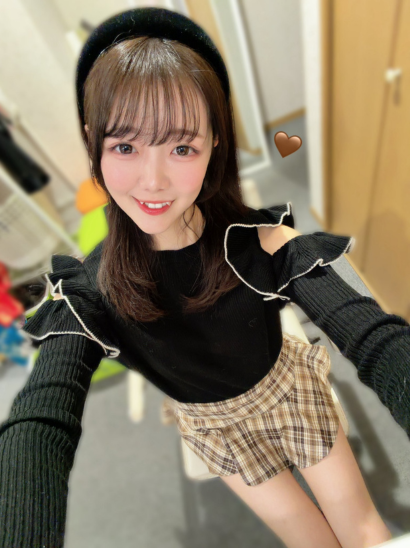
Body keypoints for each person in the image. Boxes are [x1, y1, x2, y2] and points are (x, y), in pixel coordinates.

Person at [0, 7, 408, 548]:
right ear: (93, 141)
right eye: (125, 146)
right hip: (215, 427)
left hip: (288, 390)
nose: (153, 180)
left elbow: (374, 337)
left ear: (215, 141)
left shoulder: (260, 241)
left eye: (181, 147)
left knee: (364, 531)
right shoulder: (90, 292)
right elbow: (39, 421)